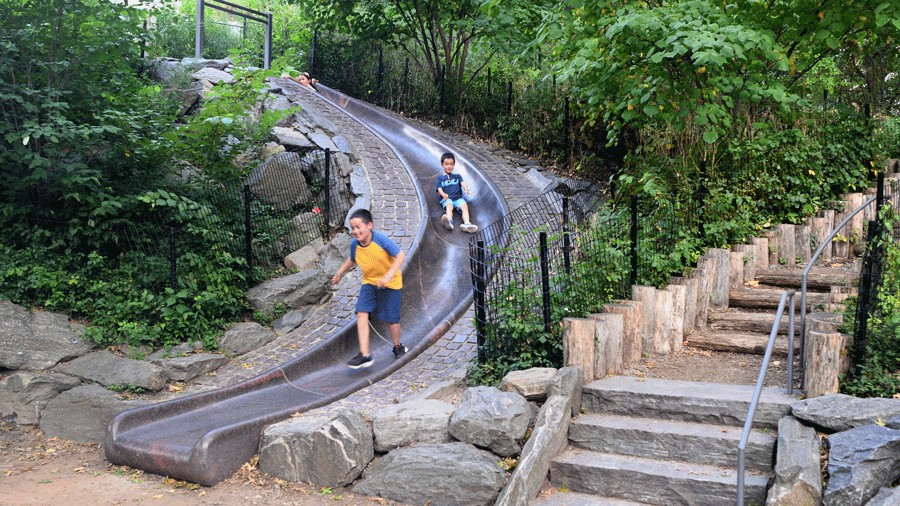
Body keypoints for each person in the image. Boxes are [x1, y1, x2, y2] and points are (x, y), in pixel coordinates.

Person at [331, 209, 407, 369]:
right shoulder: (355, 244)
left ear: (370, 225)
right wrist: (339, 273)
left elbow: (401, 255)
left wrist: (387, 277)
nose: (355, 231)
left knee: (391, 319)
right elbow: (352, 259)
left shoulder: (380, 240)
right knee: (361, 312)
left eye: (358, 227)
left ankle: (397, 346)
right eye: (353, 228)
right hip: (370, 282)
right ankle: (364, 354)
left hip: (391, 283)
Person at [435, 152, 478, 233]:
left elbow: (462, 183)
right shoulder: (440, 179)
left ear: (454, 165)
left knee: (464, 206)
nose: (449, 166)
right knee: (449, 205)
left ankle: (467, 224)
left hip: (458, 198)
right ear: (442, 164)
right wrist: (443, 194)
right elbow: (439, 188)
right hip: (448, 198)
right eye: (446, 164)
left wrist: (466, 189)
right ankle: (449, 221)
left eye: (451, 164)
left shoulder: (457, 176)